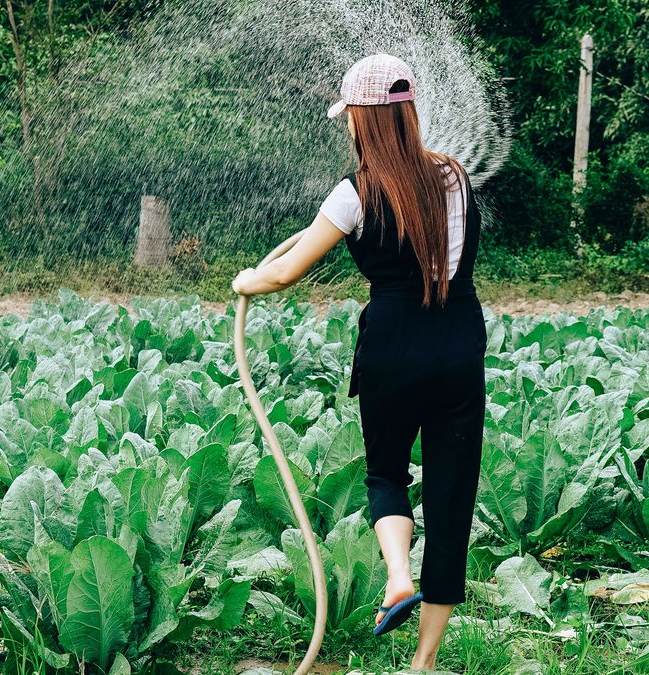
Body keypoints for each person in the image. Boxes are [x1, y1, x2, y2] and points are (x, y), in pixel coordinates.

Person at [231, 52, 486, 672]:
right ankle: (423, 663)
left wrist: (245, 281)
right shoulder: (455, 176)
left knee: (386, 473)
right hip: (458, 342)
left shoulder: (354, 194)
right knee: (451, 497)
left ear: (361, 120)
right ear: (409, 114)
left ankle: (398, 575)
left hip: (393, 346)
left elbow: (285, 272)